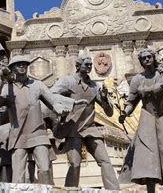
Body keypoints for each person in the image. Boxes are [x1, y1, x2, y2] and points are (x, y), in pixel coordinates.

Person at [0, 55, 83, 184]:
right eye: (19, 64)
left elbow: (52, 100)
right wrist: (0, 80)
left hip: (38, 133)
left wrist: (59, 107)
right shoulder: (7, 88)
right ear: (13, 68)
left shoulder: (37, 85)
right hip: (18, 136)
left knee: (45, 168)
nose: (22, 66)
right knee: (18, 175)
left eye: (25, 64)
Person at [118, 48, 163, 193]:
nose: (146, 59)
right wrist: (124, 114)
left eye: (149, 56)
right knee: (148, 157)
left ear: (154, 58)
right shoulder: (137, 80)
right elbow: (131, 102)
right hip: (146, 119)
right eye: (143, 58)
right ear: (140, 61)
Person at [50, 55, 120, 190]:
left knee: (105, 160)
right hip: (72, 129)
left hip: (90, 128)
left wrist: (105, 99)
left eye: (90, 65)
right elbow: (50, 95)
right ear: (78, 66)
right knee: (75, 164)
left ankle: (114, 190)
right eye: (86, 64)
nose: (89, 67)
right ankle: (70, 190)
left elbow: (109, 113)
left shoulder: (94, 86)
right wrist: (70, 103)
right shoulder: (67, 81)